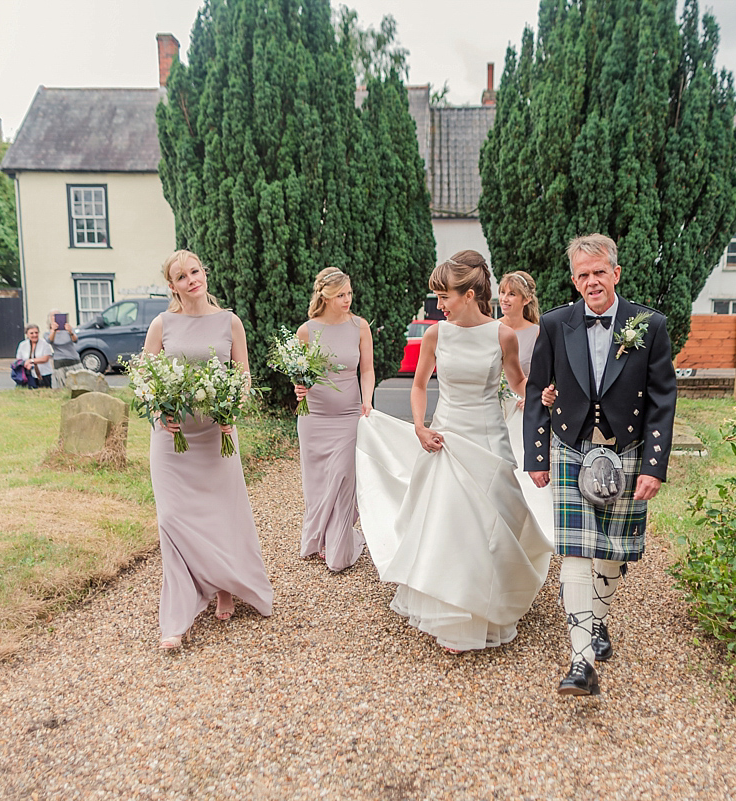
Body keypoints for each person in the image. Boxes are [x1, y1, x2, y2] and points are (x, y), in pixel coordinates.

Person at [356, 252, 552, 653]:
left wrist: (542, 393)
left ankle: (490, 601)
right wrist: (419, 426)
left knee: (492, 524)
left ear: (470, 294)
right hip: (445, 436)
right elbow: (418, 385)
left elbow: (518, 383)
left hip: (487, 438)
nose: (439, 305)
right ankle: (455, 608)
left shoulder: (503, 335)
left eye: (445, 296)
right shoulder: (435, 335)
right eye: (438, 296)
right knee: (452, 524)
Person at [524, 234, 677, 696]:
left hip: (627, 450)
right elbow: (537, 390)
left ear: (616, 273)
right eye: (582, 274)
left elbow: (661, 398)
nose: (591, 281)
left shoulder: (649, 325)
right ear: (574, 280)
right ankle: (580, 661)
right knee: (574, 550)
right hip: (571, 448)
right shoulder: (555, 324)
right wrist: (536, 454)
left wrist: (653, 464)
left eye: (598, 272)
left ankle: (599, 624)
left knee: (611, 552)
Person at [143, 250, 274, 651]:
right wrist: (160, 414)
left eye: (195, 272)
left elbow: (244, 377)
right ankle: (177, 617)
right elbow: (146, 382)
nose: (191, 280)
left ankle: (224, 588)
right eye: (181, 276)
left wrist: (232, 409)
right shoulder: (161, 324)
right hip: (173, 439)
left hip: (217, 435)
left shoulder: (229, 322)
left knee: (222, 514)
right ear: (172, 286)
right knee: (172, 520)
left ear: (204, 274)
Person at [291, 267, 374, 571]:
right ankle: (321, 537)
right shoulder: (306, 330)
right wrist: (298, 386)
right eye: (341, 295)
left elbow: (366, 369)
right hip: (314, 418)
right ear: (325, 295)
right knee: (317, 482)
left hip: (349, 415)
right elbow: (299, 373)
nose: (347, 299)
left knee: (342, 477)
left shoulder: (359, 326)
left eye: (349, 293)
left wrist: (367, 400)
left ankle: (338, 541)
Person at [496, 270, 553, 541]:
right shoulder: (492, 328)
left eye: (512, 294)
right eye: (503, 292)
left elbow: (546, 374)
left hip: (522, 407)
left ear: (526, 299)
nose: (505, 299)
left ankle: (529, 529)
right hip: (495, 407)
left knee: (519, 465)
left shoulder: (539, 333)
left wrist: (529, 394)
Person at [47, 309, 80, 387]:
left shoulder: (69, 330)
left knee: (77, 384)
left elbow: (75, 340)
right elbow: (50, 341)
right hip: (59, 361)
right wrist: (54, 330)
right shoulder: (48, 333)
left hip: (73, 359)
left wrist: (70, 332)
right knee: (62, 385)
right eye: (53, 315)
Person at [15, 324, 53, 388]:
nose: (34, 335)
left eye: (36, 333)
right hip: (28, 375)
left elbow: (45, 358)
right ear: (27, 334)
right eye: (31, 333)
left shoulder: (45, 344)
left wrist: (31, 361)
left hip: (43, 374)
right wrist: (25, 364)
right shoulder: (22, 345)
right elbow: (19, 360)